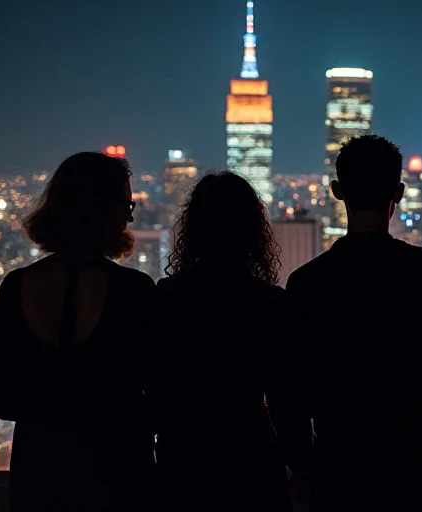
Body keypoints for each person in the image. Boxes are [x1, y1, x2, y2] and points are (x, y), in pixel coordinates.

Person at [284, 135, 422, 511]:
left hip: (338, 469)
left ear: (337, 191)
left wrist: (303, 465)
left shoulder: (307, 284)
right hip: (415, 471)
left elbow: (291, 390)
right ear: (399, 193)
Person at [0, 152, 156, 511]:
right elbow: (159, 392)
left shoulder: (15, 287)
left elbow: (1, 400)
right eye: (126, 205)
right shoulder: (134, 290)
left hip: (40, 473)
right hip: (118, 472)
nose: (130, 216)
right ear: (104, 211)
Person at [153, 172, 291, 511]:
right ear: (252, 232)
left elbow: (154, 385)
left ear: (194, 230)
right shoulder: (269, 302)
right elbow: (284, 396)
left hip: (184, 454)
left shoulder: (167, 296)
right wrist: (300, 462)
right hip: (250, 451)